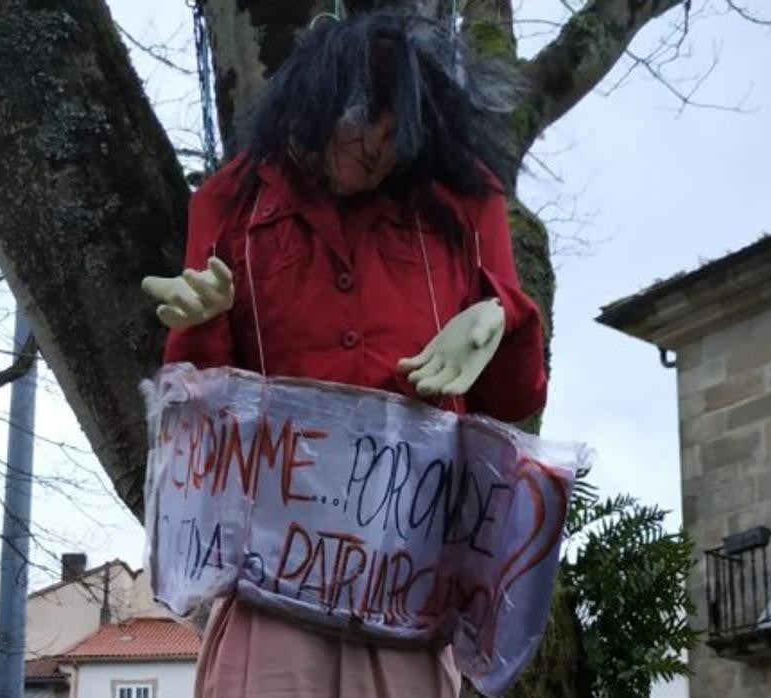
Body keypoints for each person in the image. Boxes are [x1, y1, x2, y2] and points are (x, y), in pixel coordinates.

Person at [141, 10, 547, 697]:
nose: (377, 153)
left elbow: (513, 400)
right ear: (319, 100)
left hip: (409, 598)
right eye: (364, 126)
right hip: (272, 587)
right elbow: (202, 417)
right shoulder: (230, 203)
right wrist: (201, 326)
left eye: (397, 137)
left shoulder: (462, 204)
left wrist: (502, 317)